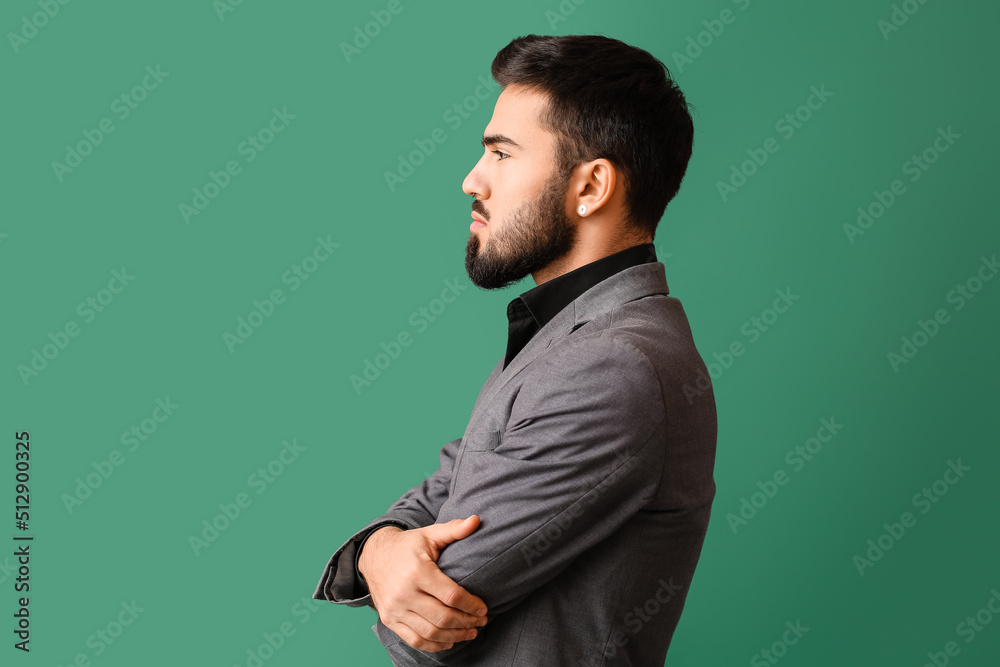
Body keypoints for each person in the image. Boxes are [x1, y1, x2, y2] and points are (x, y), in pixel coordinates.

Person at [313, 33, 718, 666]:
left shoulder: (614, 367)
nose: (472, 180)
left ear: (591, 188)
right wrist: (380, 551)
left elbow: (430, 611)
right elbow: (443, 491)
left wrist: (391, 562)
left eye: (502, 153)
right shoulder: (566, 340)